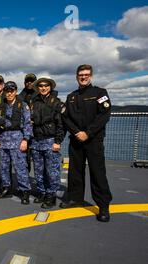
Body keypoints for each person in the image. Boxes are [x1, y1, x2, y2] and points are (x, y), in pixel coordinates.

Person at [60, 64, 113, 223]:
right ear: (77, 77)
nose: (83, 77)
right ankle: (75, 199)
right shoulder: (71, 96)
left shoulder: (100, 93)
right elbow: (65, 118)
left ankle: (103, 206)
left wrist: (87, 133)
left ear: (91, 76)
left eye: (86, 74)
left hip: (94, 141)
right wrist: (77, 132)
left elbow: (104, 116)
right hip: (76, 141)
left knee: (98, 173)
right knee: (75, 172)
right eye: (80, 75)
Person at [0, 81, 33, 204]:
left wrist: (25, 140)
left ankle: (25, 191)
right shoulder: (1, 106)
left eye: (12, 91)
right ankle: (6, 188)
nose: (9, 93)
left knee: (20, 167)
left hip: (18, 139)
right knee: (3, 167)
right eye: (7, 91)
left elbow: (28, 124)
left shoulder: (23, 105)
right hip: (4, 140)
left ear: (16, 91)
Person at [30, 77, 65, 208]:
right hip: (36, 141)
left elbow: (61, 124)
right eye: (41, 86)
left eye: (46, 85)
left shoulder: (56, 103)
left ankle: (51, 195)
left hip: (50, 140)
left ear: (50, 87)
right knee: (38, 170)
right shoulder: (34, 102)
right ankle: (42, 192)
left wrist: (58, 141)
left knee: (52, 170)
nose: (43, 88)